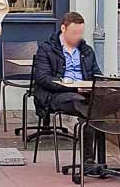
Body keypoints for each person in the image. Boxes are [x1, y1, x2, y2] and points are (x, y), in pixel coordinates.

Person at [32, 12, 105, 179]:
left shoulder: (86, 50)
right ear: (63, 29)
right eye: (74, 33)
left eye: (81, 33)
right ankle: (88, 160)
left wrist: (94, 86)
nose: (78, 37)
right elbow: (43, 79)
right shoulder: (47, 49)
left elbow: (97, 74)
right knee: (87, 107)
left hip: (85, 93)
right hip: (57, 94)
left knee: (115, 99)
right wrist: (72, 88)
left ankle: (95, 160)